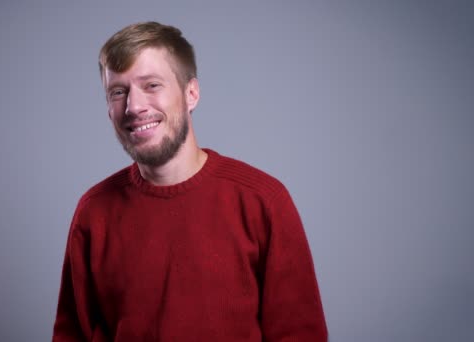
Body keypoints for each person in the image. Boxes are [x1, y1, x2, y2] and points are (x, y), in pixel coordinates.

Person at [52, 21, 328, 341]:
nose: (134, 106)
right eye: (118, 91)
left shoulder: (263, 201)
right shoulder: (93, 212)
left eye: (151, 85)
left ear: (191, 93)